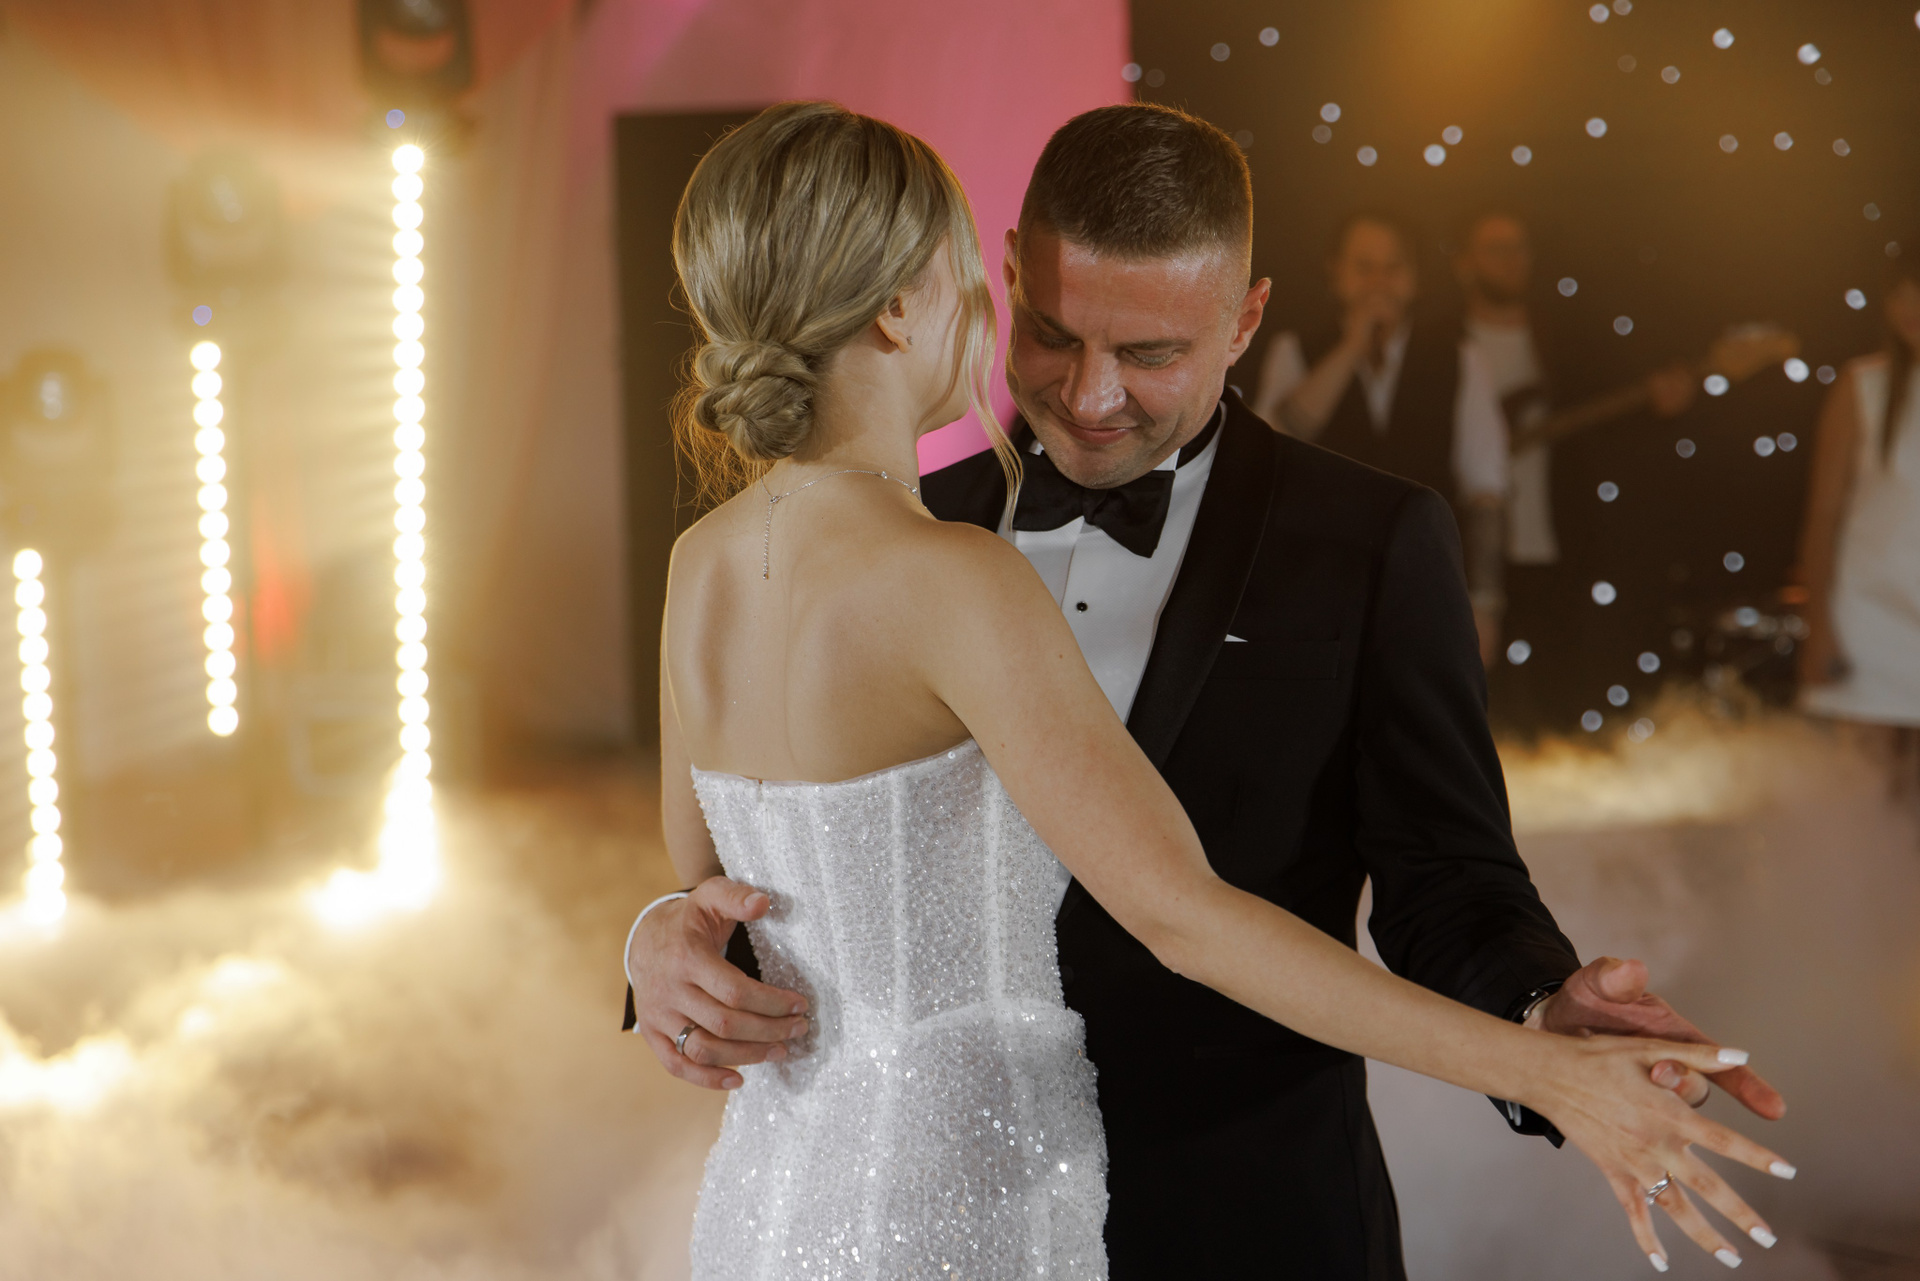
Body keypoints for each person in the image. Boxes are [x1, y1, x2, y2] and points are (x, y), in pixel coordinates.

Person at [632, 101, 1792, 1279]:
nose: (1092, 396)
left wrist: (1543, 1018)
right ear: (996, 273)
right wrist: (662, 945)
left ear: (1244, 322)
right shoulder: (946, 552)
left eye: (1149, 355)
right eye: (1049, 332)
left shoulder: (1372, 541)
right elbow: (1166, 910)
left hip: (1226, 1216)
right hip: (973, 1217)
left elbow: (1450, 875)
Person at [1447, 210, 1697, 731]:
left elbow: (1614, 421)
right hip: (1463, 547)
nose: (1512, 260)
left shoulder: (1564, 340)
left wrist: (1662, 404)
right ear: (1464, 262)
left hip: (1555, 541)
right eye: (1496, 248)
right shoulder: (1441, 345)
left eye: (1520, 247)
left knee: (1556, 698)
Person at [1251, 212, 1512, 665]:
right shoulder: (1294, 349)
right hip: (1317, 587)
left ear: (1414, 278)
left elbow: (1486, 488)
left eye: (1393, 268)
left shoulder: (1459, 356)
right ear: (1336, 273)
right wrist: (1352, 346)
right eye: (1363, 267)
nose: (1379, 283)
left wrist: (1485, 601)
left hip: (1425, 583)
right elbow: (1274, 447)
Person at [1796, 252, 1920, 778]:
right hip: (1869, 614)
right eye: (1900, 294)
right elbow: (1823, 515)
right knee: (1869, 788)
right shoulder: (1862, 384)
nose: (1910, 308)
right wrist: (1818, 624)